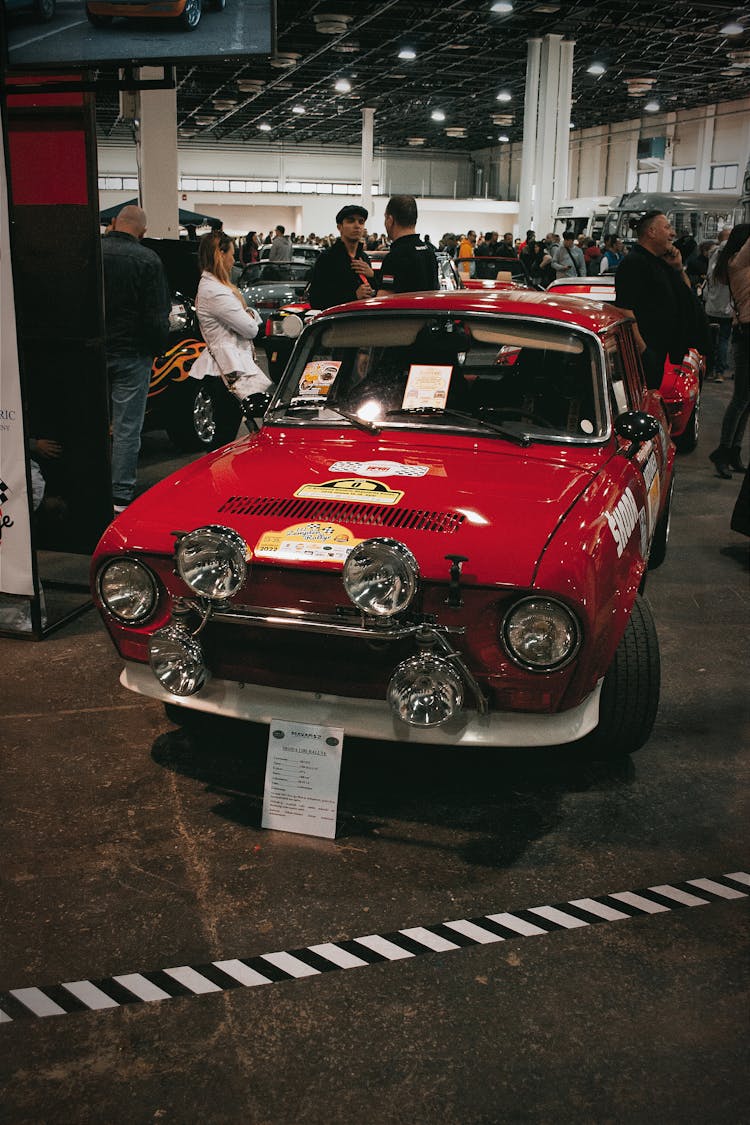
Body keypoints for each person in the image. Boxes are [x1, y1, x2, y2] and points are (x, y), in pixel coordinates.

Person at [101, 204, 170, 513]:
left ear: (113, 223)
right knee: (128, 427)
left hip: (90, 351)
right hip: (132, 354)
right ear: (142, 232)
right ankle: (119, 495)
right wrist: (157, 350)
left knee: (89, 421)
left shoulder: (91, 251)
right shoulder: (148, 259)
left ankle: (86, 485)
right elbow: (156, 316)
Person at [614, 210, 708, 389]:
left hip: (662, 354)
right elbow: (625, 310)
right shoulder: (634, 263)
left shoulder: (660, 263)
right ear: (651, 232)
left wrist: (678, 268)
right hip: (647, 356)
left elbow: (686, 294)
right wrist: (644, 352)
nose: (672, 233)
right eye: (667, 227)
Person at [191, 230, 271, 421]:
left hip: (226, 369)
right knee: (227, 435)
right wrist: (250, 313)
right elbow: (251, 329)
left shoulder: (213, 288)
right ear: (221, 254)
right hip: (227, 370)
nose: (233, 259)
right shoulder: (216, 292)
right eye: (232, 254)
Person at [707, 224, 750, 479]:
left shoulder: (737, 265)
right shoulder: (738, 263)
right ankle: (723, 450)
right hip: (746, 334)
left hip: (744, 332)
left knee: (746, 400)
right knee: (741, 399)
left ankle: (733, 450)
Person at [307, 204, 374, 310]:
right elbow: (316, 300)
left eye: (361, 222)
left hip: (362, 320)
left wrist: (372, 275)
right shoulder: (327, 258)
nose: (357, 226)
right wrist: (353, 296)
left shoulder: (363, 258)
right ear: (340, 227)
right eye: (351, 221)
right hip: (337, 323)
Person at [375, 195, 439, 296]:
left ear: (390, 220)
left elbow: (384, 298)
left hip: (403, 311)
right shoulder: (429, 252)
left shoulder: (395, 257)